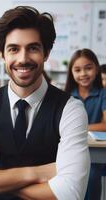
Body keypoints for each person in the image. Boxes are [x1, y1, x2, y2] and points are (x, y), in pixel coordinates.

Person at [0, 6, 90, 200]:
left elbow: (70, 193)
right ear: (2, 55)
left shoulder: (71, 109)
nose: (23, 59)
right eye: (13, 49)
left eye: (33, 48)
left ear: (46, 53)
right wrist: (37, 174)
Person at [65, 48, 106, 200]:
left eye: (88, 68)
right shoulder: (68, 96)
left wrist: (78, 127)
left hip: (94, 152)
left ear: (96, 68)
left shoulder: (103, 94)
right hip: (72, 149)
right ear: (72, 73)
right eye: (77, 70)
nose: (83, 74)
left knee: (92, 174)